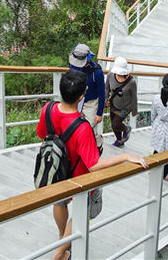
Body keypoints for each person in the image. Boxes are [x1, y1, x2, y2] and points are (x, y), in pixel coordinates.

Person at [37, 69, 147, 260]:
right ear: (81, 97)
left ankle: (63, 239)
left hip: (54, 170)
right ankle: (60, 251)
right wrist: (125, 157)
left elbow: (42, 135)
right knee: (88, 208)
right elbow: (93, 165)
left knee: (60, 202)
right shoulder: (82, 127)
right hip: (79, 177)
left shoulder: (47, 109)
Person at [68, 43, 106, 152]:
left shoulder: (97, 72)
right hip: (76, 100)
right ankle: (80, 149)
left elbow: (102, 93)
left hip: (91, 102)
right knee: (74, 125)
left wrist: (99, 113)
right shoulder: (73, 66)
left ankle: (98, 145)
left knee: (89, 127)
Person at [105, 57, 138, 148]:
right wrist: (104, 102)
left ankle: (126, 129)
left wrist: (134, 110)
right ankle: (120, 141)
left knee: (116, 124)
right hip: (114, 103)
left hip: (126, 106)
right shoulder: (110, 76)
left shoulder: (131, 82)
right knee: (114, 125)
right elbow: (106, 89)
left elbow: (134, 96)